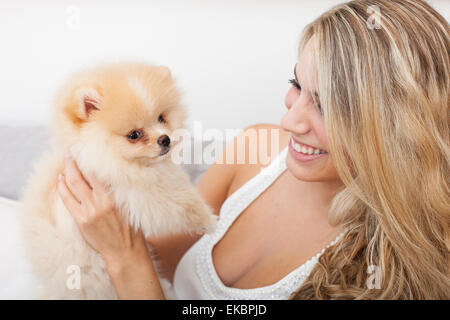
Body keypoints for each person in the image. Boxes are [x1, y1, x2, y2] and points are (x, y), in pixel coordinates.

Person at [57, 0, 449, 299]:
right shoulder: (255, 149)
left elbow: (136, 261)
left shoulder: (385, 272)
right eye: (296, 85)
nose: (290, 122)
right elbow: (163, 254)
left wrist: (125, 257)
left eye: (326, 105)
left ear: (401, 130)